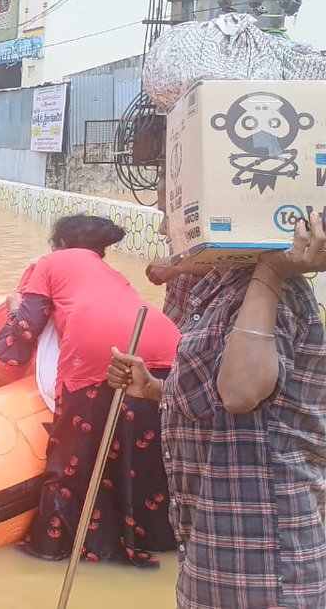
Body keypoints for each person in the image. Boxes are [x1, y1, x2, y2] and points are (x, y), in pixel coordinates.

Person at [110, 210, 326, 607]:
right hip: (214, 544)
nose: (163, 227)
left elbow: (241, 393)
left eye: (170, 212)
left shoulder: (270, 290)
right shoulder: (218, 290)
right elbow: (224, 408)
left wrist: (271, 270)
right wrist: (155, 389)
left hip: (262, 559)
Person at [0, 214, 179, 565]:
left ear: (60, 243)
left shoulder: (49, 263)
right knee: (143, 453)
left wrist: (13, 309)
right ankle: (153, 542)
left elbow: (26, 328)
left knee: (72, 454)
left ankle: (53, 547)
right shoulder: (113, 275)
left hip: (98, 353)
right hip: (165, 346)